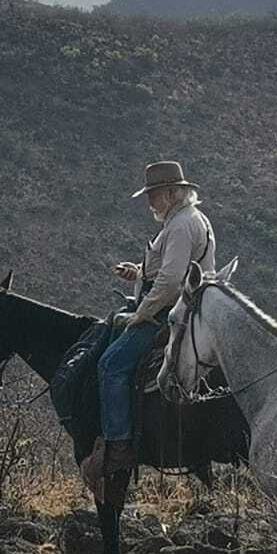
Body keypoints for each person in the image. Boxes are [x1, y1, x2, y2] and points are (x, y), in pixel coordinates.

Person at [82, 160, 216, 492]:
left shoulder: (181, 225)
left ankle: (119, 446)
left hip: (168, 312)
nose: (149, 202)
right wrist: (138, 273)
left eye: (154, 194)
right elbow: (167, 270)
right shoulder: (182, 221)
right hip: (171, 305)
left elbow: (171, 283)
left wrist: (141, 314)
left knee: (111, 365)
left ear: (172, 193)